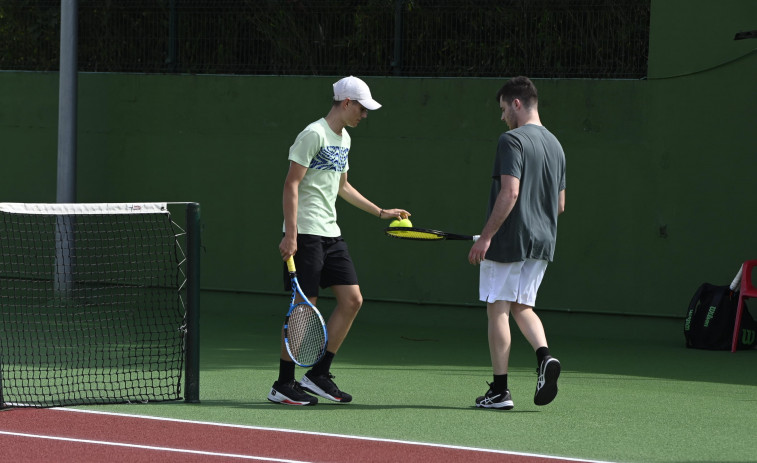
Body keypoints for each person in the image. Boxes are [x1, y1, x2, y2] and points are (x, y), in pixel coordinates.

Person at [268, 76, 411, 406]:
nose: (364, 115)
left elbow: (342, 186)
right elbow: (291, 185)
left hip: (331, 234)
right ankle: (283, 383)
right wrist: (291, 235)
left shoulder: (344, 138)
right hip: (305, 233)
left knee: (352, 300)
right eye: (362, 108)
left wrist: (380, 211)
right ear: (346, 103)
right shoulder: (313, 134)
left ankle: (318, 375)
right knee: (306, 307)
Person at [467, 76, 565, 410]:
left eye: (504, 108)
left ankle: (499, 391)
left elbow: (510, 192)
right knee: (523, 306)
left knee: (498, 310)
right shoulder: (556, 146)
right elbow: (560, 204)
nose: (502, 116)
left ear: (517, 103)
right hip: (543, 241)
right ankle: (545, 357)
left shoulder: (512, 140)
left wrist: (488, 237)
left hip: (510, 239)